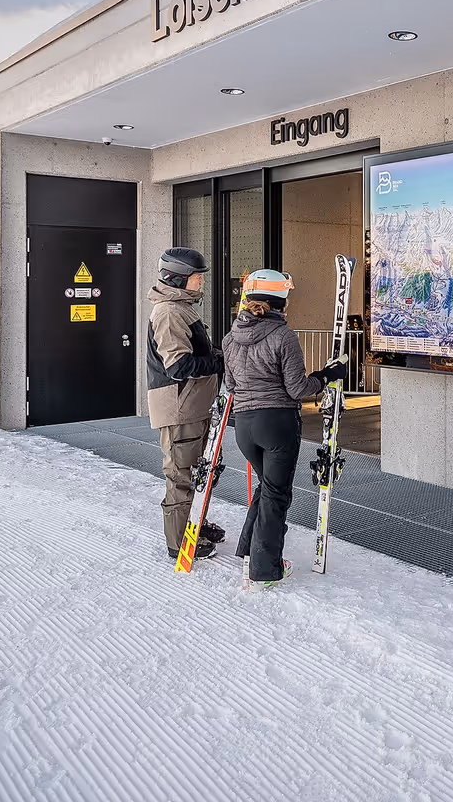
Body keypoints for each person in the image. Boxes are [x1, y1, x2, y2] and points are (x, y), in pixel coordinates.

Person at [222, 269, 348, 585]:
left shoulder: (230, 338)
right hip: (277, 425)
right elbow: (297, 389)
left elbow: (230, 384)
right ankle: (265, 571)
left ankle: (250, 554)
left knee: (267, 488)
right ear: (281, 300)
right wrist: (327, 376)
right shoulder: (283, 336)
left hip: (245, 427)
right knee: (277, 495)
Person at [147, 246, 226, 560]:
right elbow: (179, 366)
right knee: (181, 474)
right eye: (196, 278)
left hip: (194, 405)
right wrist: (218, 363)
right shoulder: (168, 313)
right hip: (180, 409)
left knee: (200, 471)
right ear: (178, 279)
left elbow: (197, 352)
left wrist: (218, 354)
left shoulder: (183, 308)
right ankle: (179, 542)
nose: (201, 282)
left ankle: (195, 523)